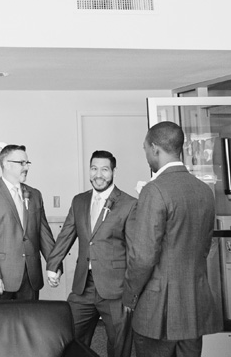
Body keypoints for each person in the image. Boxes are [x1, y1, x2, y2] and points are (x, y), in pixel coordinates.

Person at [123, 121, 222, 357]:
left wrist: (130, 294)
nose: (146, 154)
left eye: (145, 148)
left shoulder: (154, 190)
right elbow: (206, 245)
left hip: (159, 309)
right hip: (194, 305)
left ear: (155, 148)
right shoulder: (204, 190)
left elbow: (144, 256)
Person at [45, 150, 136, 357]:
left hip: (116, 289)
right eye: (94, 168)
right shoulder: (79, 201)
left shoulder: (129, 204)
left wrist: (132, 291)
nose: (98, 174)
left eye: (104, 169)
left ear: (113, 171)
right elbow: (66, 234)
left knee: (119, 346)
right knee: (69, 339)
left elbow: (134, 252)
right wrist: (53, 264)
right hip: (83, 286)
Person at [0, 144, 56, 300]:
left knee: (27, 324)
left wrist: (54, 265)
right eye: (22, 163)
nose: (26, 167)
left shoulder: (35, 195)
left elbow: (44, 235)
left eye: (27, 163)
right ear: (6, 164)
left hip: (30, 279)